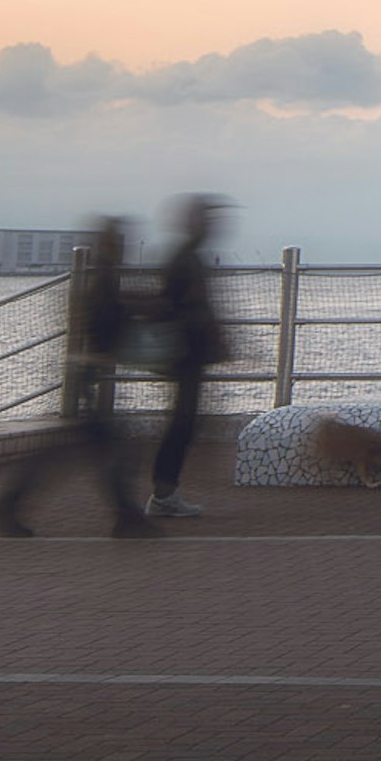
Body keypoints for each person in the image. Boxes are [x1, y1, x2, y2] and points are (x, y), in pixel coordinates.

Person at [0, 217, 162, 539]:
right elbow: (106, 321)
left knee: (82, 450)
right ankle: (125, 517)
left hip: (84, 374)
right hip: (89, 375)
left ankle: (123, 515)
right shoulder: (104, 280)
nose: (122, 247)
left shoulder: (98, 278)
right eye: (118, 241)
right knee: (109, 450)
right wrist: (142, 308)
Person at [145, 194, 232, 518]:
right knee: (182, 423)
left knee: (185, 422)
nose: (212, 225)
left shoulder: (189, 256)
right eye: (207, 219)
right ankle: (163, 494)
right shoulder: (185, 258)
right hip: (185, 354)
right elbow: (174, 305)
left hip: (189, 353)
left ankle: (165, 491)